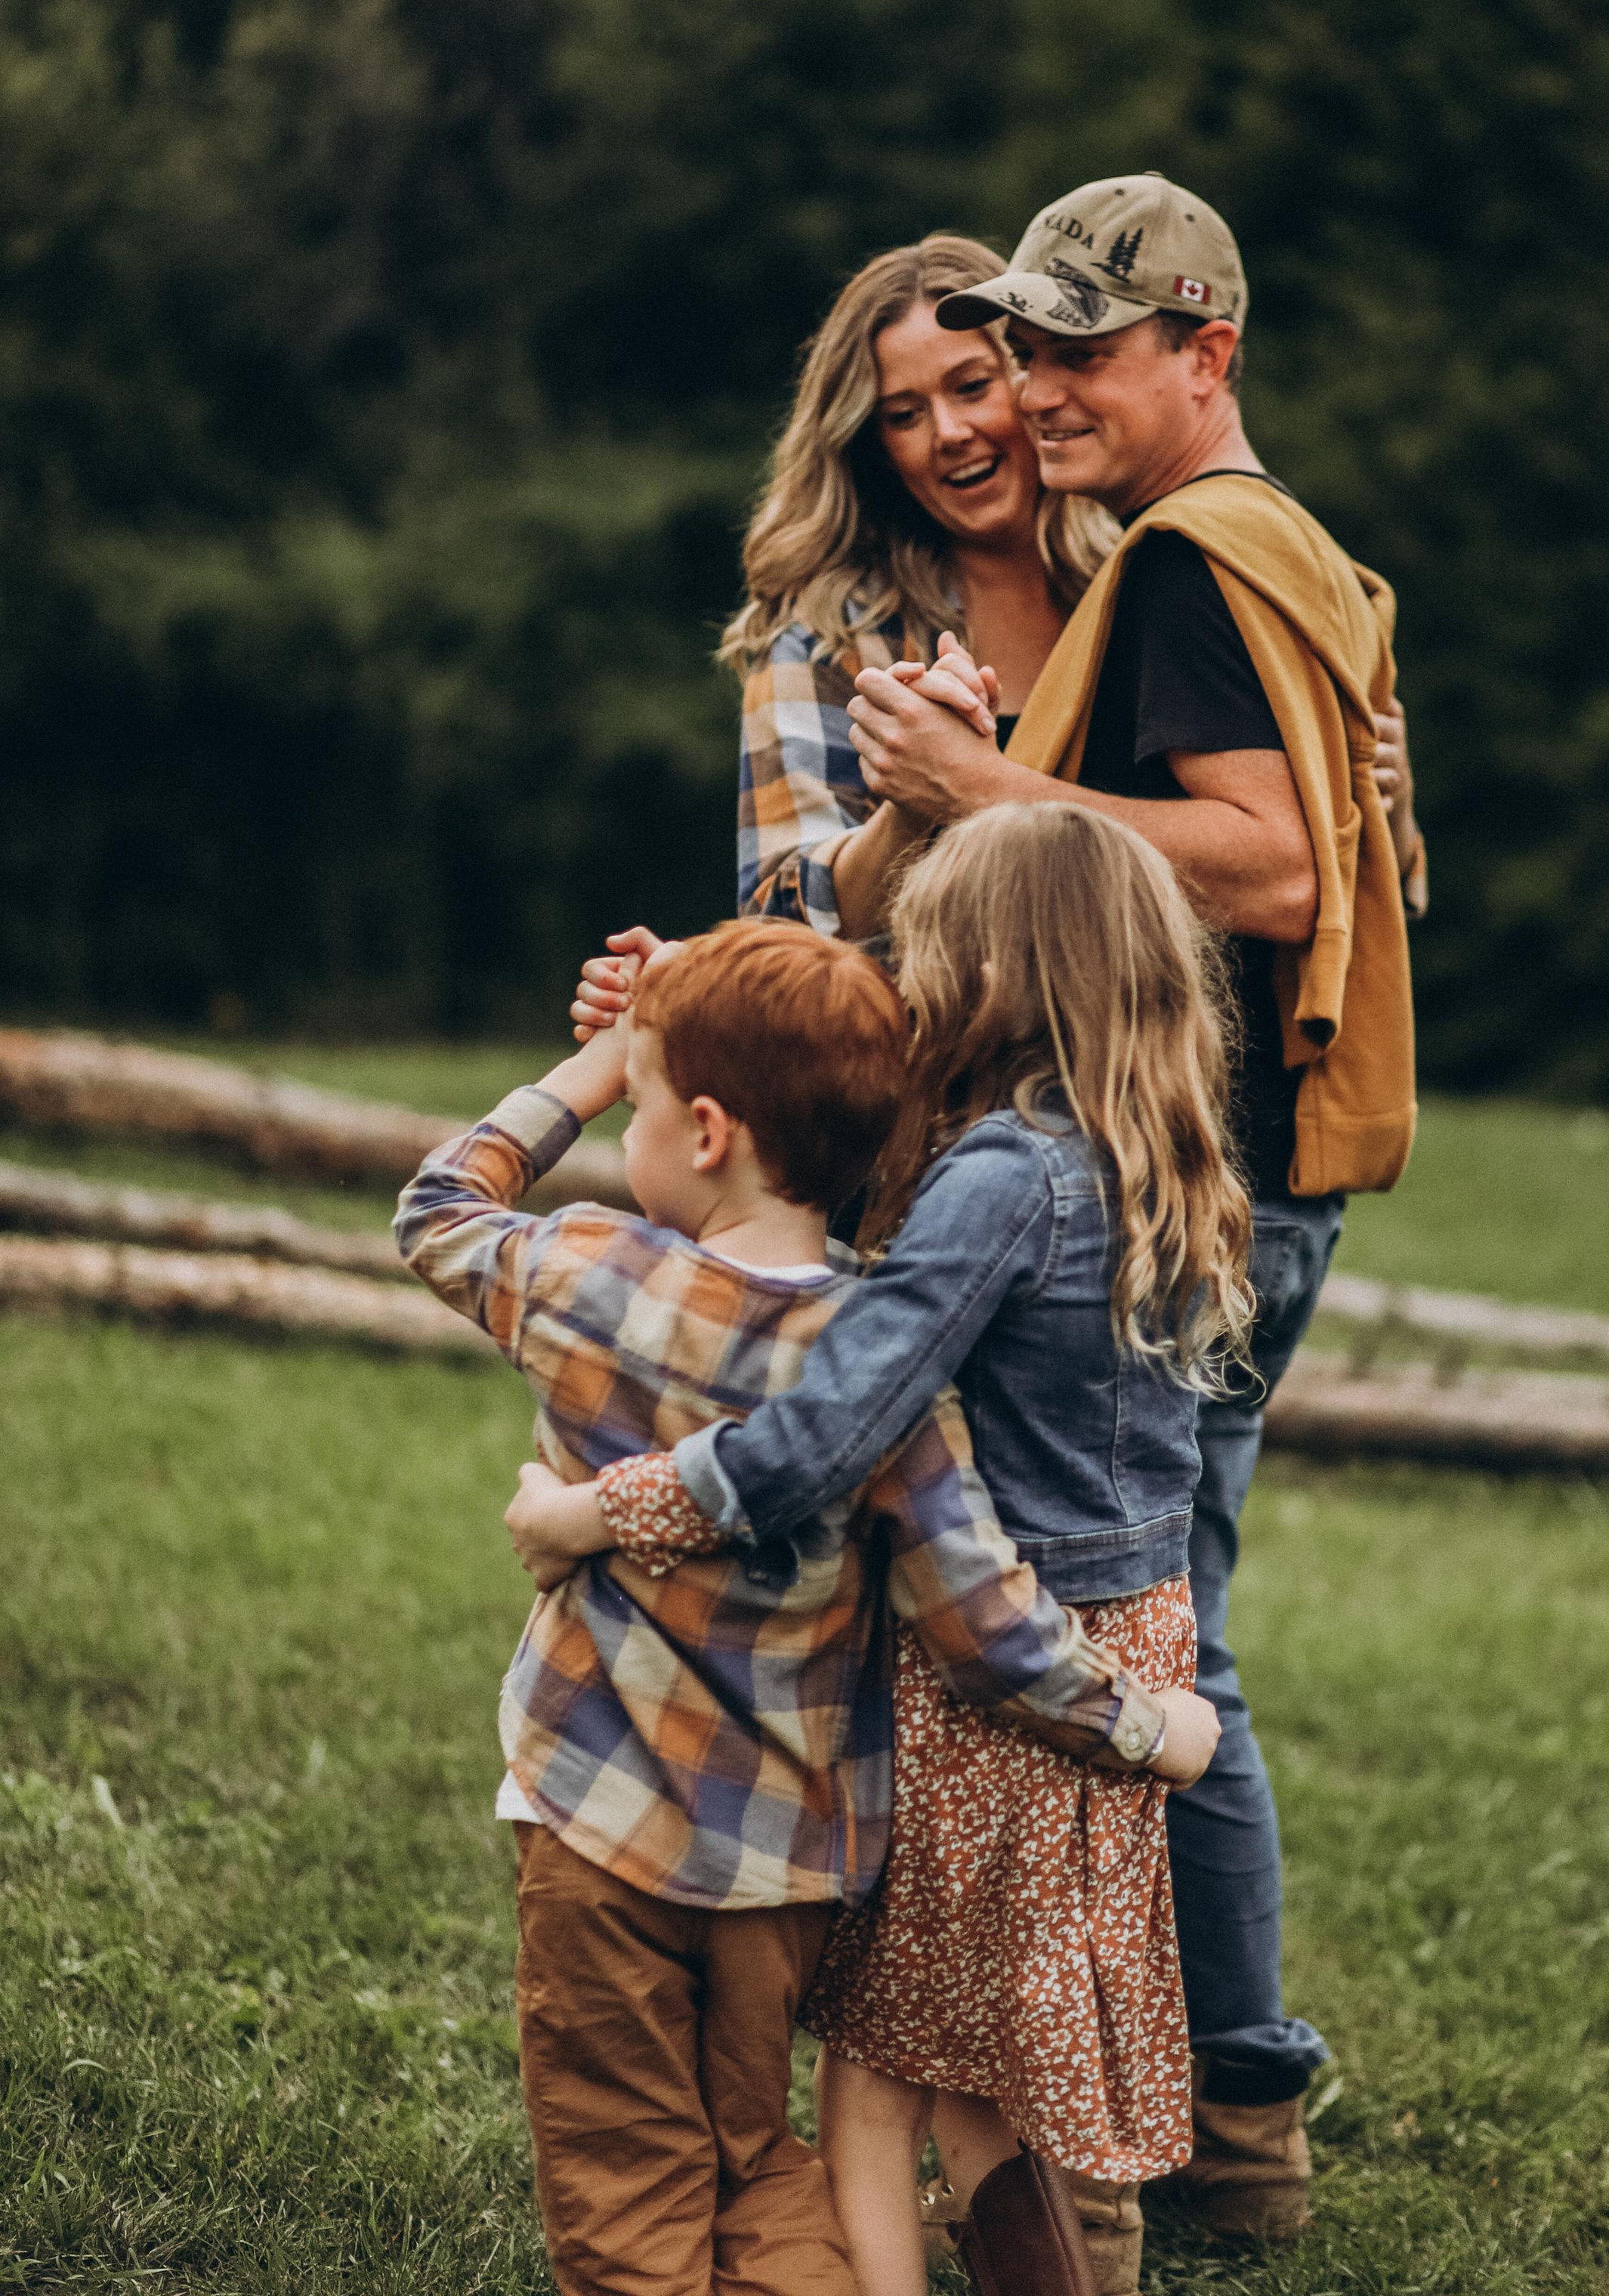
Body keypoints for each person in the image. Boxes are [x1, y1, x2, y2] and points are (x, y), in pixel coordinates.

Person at [828, 173, 1428, 2241]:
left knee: (1160, 1640)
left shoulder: (1185, 562)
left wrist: (974, 791)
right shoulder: (1285, 547)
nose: (1044, 387)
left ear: (1205, 351)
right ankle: (1196, 2114)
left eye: (1085, 349)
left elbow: (1270, 870)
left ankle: (1216, 2118)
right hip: (1241, 1174)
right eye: (1032, 345)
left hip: (1201, 1181)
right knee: (1162, 1627)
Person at [394, 917, 1212, 2296]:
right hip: (786, 1871)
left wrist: (586, 1067)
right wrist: (1146, 1728)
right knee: (752, 2151)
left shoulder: (585, 1272)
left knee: (627, 2162)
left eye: (643, 1103)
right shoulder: (884, 1374)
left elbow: (436, 1208)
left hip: (594, 1829)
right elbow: (989, 1629)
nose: (631, 1119)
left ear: (707, 1132)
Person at [722, 232, 1115, 939]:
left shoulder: (1134, 587)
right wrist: (911, 805)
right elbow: (782, 929)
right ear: (876, 450)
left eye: (972, 387)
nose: (950, 432)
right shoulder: (828, 638)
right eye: (904, 416)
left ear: (1036, 380)